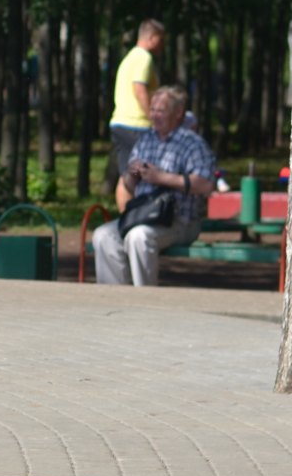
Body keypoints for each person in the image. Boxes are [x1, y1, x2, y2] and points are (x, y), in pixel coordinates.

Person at [92, 85, 216, 287]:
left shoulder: (193, 143)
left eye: (161, 111)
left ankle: (146, 301)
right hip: (143, 214)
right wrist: (132, 173)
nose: (154, 115)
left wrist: (163, 178)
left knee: (138, 237)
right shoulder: (145, 141)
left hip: (180, 221)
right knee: (103, 235)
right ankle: (115, 301)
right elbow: (129, 187)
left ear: (178, 113)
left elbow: (206, 184)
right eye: (152, 110)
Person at [109, 20, 167, 188]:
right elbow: (139, 88)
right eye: (160, 40)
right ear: (151, 37)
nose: (162, 45)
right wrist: (153, 117)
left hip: (121, 124)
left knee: (128, 174)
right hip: (136, 126)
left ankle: (128, 212)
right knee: (139, 173)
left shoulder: (131, 57)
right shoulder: (144, 58)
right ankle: (131, 212)